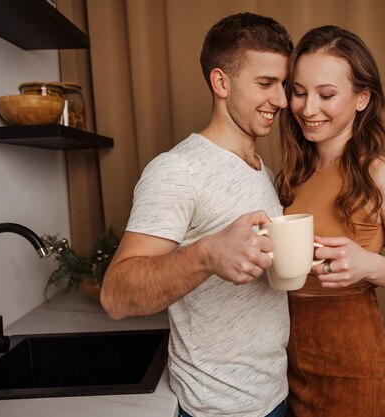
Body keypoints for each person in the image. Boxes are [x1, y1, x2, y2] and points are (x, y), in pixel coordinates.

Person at [100, 13, 293, 417]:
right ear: (221, 83)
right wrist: (206, 255)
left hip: (274, 393)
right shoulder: (177, 170)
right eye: (265, 84)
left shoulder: (264, 170)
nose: (282, 100)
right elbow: (116, 295)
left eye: (283, 84)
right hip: (217, 409)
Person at [276, 25, 385, 416]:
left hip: (356, 368)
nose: (308, 109)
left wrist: (369, 264)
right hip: (288, 364)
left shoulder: (381, 174)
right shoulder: (292, 175)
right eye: (299, 92)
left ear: (363, 98)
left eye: (326, 95)